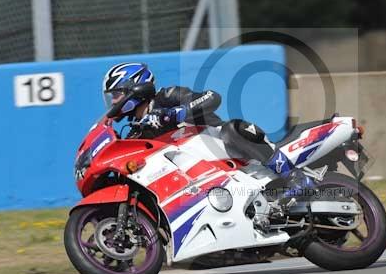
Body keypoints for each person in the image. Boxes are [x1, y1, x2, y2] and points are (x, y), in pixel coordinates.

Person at [102, 62, 315, 195]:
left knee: (233, 128)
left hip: (224, 147)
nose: (113, 102)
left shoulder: (166, 96)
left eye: (116, 94)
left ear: (135, 87)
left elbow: (212, 97)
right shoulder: (136, 131)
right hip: (201, 175)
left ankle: (295, 177)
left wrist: (174, 113)